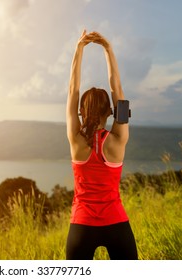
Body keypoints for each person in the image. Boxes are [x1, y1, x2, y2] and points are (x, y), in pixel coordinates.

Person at [65, 30, 138, 260]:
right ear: (111, 111)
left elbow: (72, 91)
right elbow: (117, 90)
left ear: (81, 112)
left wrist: (79, 48)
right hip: (115, 222)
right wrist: (108, 48)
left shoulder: (76, 140)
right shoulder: (118, 139)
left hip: (81, 225)